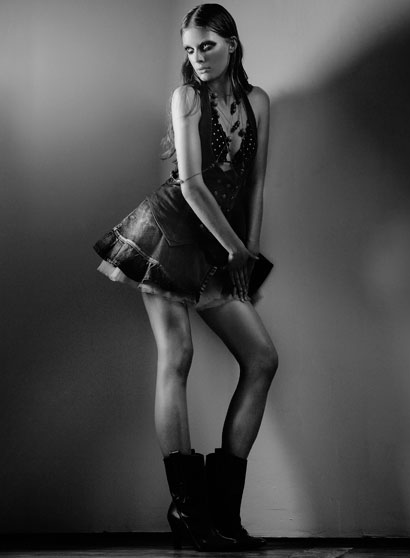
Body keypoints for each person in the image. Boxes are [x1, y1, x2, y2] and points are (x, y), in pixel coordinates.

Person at [94, 3, 278, 552]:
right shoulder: (186, 98)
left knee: (262, 359)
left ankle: (223, 513)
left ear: (232, 44)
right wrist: (235, 248)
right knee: (177, 356)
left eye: (208, 46)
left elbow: (255, 185)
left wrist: (247, 253)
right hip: (170, 234)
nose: (198, 58)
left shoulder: (258, 101)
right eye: (190, 49)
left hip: (222, 246)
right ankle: (187, 509)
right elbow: (192, 185)